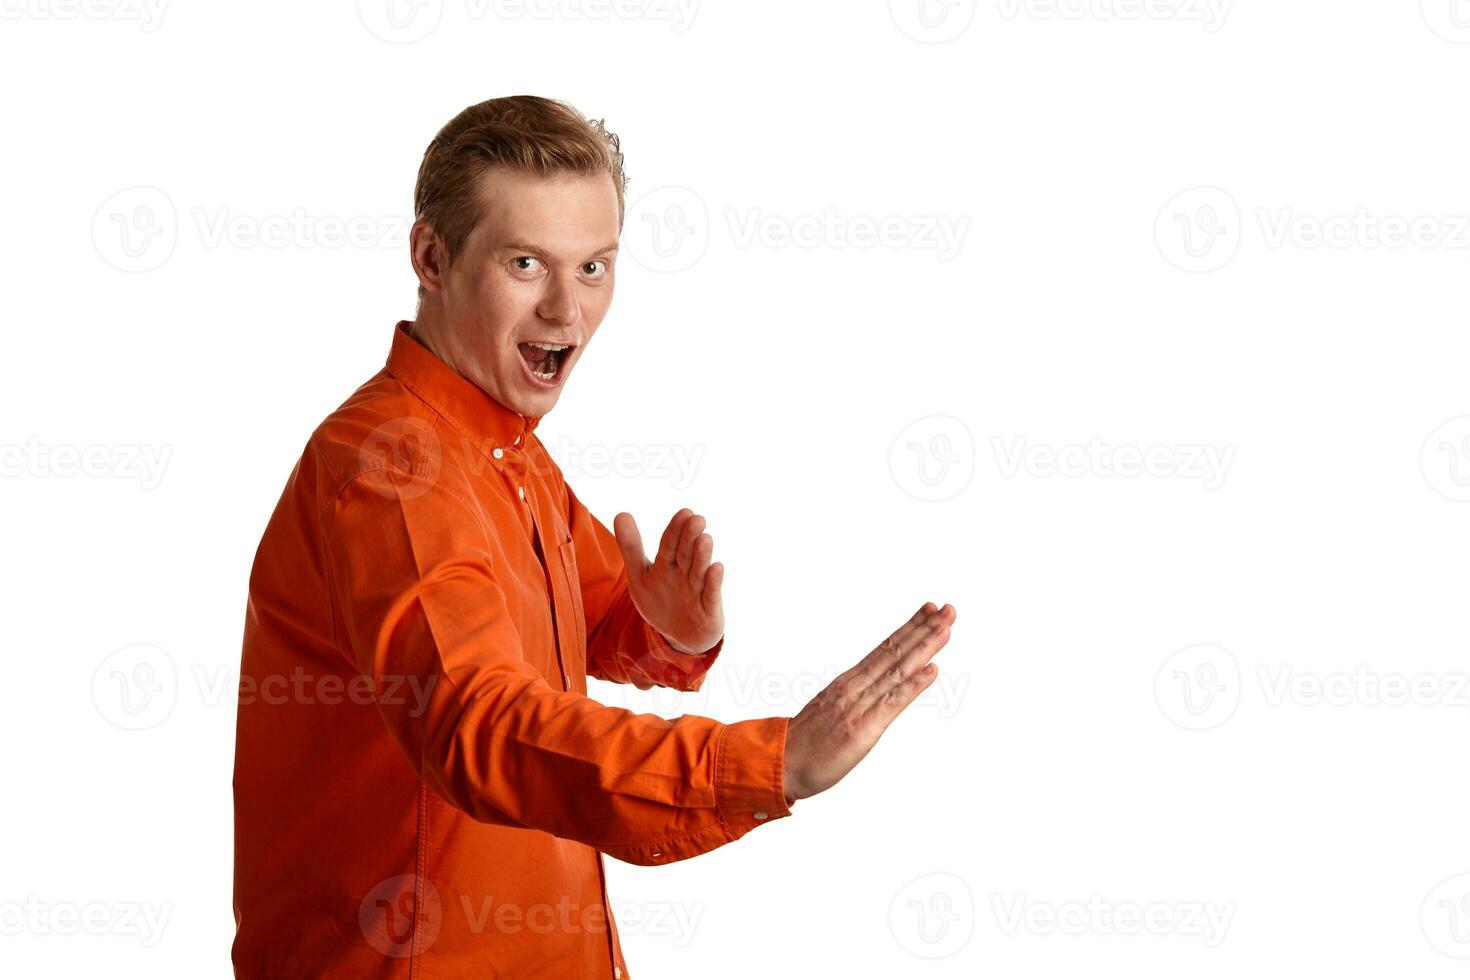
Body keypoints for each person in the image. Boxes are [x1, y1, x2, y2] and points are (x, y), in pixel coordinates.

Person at [231, 94, 957, 978]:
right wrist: (774, 764)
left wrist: (663, 637)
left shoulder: (504, 446)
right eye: (527, 263)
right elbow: (478, 722)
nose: (566, 314)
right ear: (431, 256)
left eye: (594, 268)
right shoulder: (392, 468)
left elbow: (583, 617)